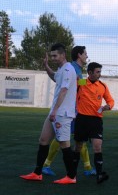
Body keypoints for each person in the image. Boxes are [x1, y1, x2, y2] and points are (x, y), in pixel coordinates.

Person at [20, 43, 77, 184]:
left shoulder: (69, 70)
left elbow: (64, 91)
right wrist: (46, 66)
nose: (53, 58)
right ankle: (37, 173)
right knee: (43, 140)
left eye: (55, 56)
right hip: (55, 112)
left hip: (62, 113)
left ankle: (71, 177)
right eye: (51, 56)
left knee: (64, 145)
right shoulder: (61, 70)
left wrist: (56, 110)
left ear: (63, 55)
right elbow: (54, 77)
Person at [42, 46, 96, 176]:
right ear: (79, 55)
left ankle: (87, 167)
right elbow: (77, 84)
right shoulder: (72, 68)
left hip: (75, 110)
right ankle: (47, 165)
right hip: (70, 111)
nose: (87, 56)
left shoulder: (73, 68)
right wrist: (91, 81)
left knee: (75, 138)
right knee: (68, 138)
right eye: (85, 54)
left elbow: (62, 80)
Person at [73, 62, 114, 184]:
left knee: (97, 146)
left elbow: (110, 100)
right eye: (97, 72)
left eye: (100, 72)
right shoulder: (81, 83)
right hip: (81, 119)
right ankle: (72, 174)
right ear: (89, 73)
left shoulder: (103, 86)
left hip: (96, 120)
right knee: (78, 147)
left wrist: (108, 106)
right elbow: (69, 88)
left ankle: (99, 175)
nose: (99, 74)